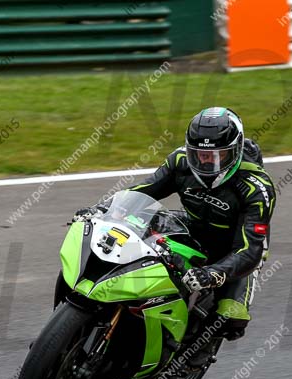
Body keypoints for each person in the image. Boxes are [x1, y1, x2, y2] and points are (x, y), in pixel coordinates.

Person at [73, 107, 276, 365]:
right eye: (199, 154)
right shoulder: (180, 161)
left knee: (229, 317)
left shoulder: (256, 188)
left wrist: (214, 273)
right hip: (191, 227)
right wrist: (101, 209)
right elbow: (144, 191)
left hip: (234, 250)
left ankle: (191, 356)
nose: (205, 163)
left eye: (216, 157)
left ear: (234, 152)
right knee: (131, 237)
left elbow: (251, 250)